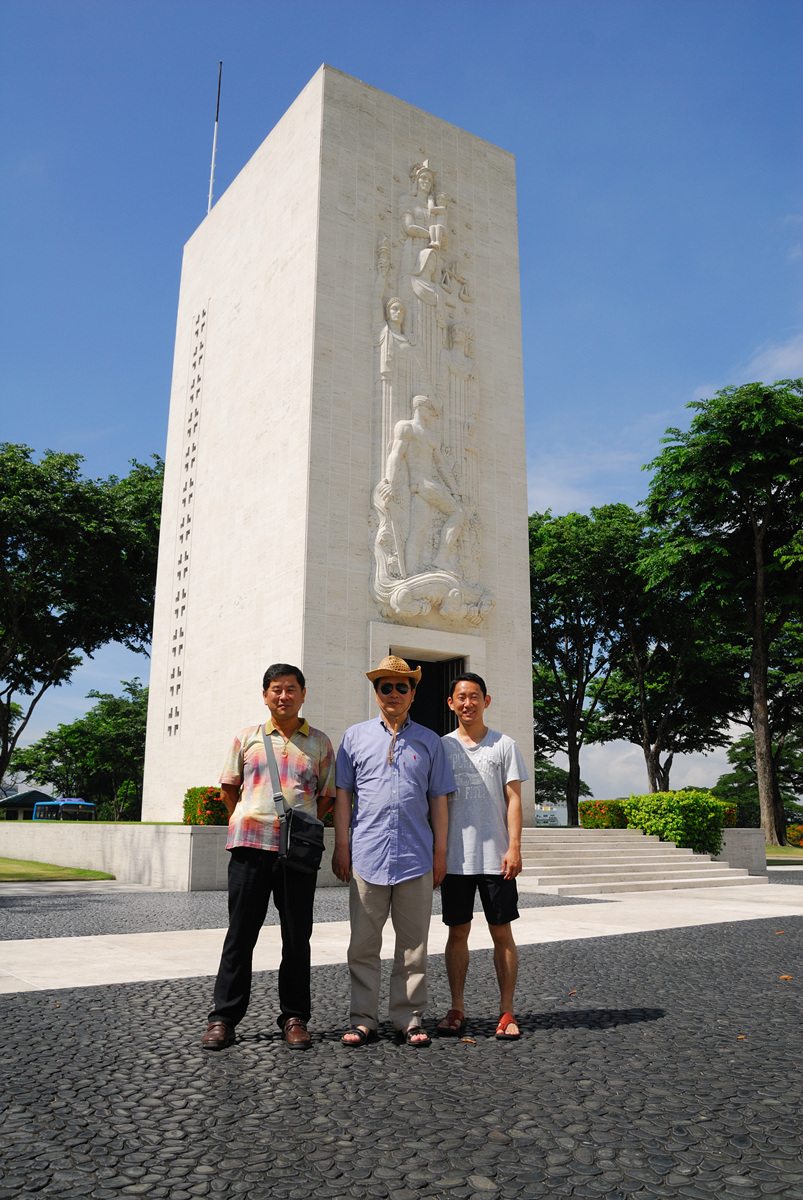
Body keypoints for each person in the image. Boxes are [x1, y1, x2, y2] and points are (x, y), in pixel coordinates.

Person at [201, 664, 335, 1050]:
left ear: (303, 694)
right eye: (276, 689)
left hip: (296, 855)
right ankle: (223, 1019)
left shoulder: (320, 743)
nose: (283, 696)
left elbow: (326, 795)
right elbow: (228, 788)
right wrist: (244, 818)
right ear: (265, 696)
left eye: (291, 689)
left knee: (297, 937)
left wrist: (301, 828)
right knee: (240, 935)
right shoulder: (247, 738)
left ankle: (294, 1017)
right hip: (250, 848)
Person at [332, 655, 454, 1047]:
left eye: (403, 687)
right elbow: (343, 796)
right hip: (367, 855)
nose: (394, 693)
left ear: (413, 694)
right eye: (386, 687)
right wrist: (341, 846)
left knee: (413, 947)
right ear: (376, 692)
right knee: (363, 946)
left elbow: (439, 801)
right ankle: (362, 1019)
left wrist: (440, 853)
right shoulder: (354, 738)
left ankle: (409, 1017)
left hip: (415, 858)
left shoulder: (430, 742)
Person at [437, 672, 529, 1040]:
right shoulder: (441, 748)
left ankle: (506, 1011)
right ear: (451, 703)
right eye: (461, 697)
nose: (468, 703)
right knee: (457, 932)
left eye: (474, 696)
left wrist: (515, 846)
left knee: (501, 933)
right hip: (456, 858)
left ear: (486, 701)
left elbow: (514, 799)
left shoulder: (504, 745)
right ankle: (457, 1007)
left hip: (497, 857)